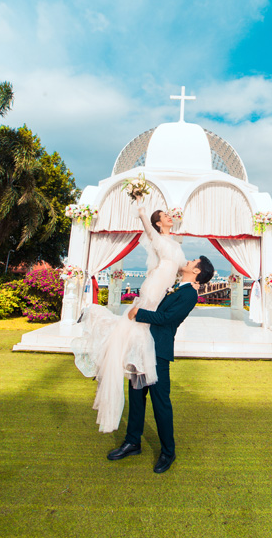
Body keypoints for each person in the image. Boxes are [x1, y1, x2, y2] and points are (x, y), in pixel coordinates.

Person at [71, 203, 187, 434]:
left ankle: (125, 350)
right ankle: (95, 316)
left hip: (162, 287)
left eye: (168, 215)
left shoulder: (175, 243)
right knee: (138, 324)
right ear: (158, 223)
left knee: (136, 326)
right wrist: (142, 213)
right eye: (164, 216)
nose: (169, 217)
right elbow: (149, 231)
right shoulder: (157, 238)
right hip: (154, 287)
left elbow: (182, 267)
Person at [107, 255, 214, 474]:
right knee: (136, 397)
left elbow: (166, 319)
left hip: (157, 353)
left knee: (160, 402)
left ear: (196, 271)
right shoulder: (175, 286)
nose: (188, 261)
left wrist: (138, 313)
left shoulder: (189, 294)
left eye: (193, 261)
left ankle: (168, 451)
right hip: (141, 348)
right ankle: (132, 442)